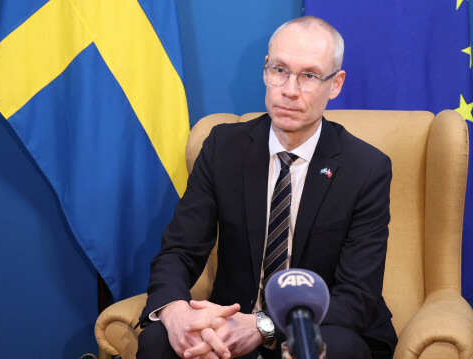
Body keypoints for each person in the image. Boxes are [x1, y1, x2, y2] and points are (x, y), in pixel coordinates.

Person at [136, 16, 397, 359]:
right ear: (265, 71)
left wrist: (263, 326)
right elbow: (179, 251)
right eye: (280, 70)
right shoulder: (222, 148)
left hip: (318, 326)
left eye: (309, 76)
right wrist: (175, 313)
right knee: (158, 341)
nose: (289, 89)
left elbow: (357, 296)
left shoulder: (365, 168)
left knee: (335, 349)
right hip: (231, 317)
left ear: (335, 85)